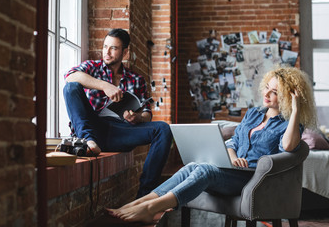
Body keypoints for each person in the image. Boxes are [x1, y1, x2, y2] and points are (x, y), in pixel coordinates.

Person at [107, 66, 317, 223]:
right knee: (191, 167)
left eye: (275, 92)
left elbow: (288, 148)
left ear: (288, 98)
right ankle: (139, 203)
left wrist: (296, 110)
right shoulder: (254, 114)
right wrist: (233, 157)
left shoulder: (291, 125)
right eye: (267, 88)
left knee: (205, 170)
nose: (267, 94)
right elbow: (233, 142)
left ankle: (152, 207)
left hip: (253, 178)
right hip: (233, 169)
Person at [63, 28, 173, 198]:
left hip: (119, 132)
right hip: (91, 129)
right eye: (105, 46)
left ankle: (144, 197)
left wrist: (137, 117)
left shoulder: (136, 79)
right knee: (71, 87)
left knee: (163, 129)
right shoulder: (92, 67)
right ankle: (89, 141)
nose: (107, 52)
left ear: (125, 51)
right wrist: (104, 86)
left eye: (113, 48)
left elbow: (147, 113)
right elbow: (69, 77)